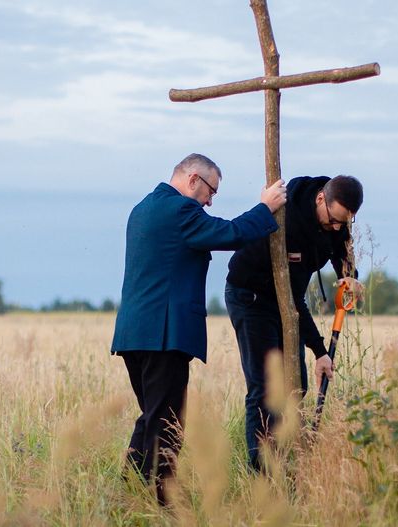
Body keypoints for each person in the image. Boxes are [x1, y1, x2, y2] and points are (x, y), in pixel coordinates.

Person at [111, 153, 287, 504]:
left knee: (152, 417)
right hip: (165, 334)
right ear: (193, 179)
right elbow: (231, 233)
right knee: (167, 423)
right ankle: (161, 501)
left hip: (134, 333)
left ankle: (129, 491)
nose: (210, 200)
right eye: (211, 191)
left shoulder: (143, 208)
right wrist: (264, 208)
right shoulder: (180, 211)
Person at [224, 174, 364, 472]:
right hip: (252, 296)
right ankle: (261, 472)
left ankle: (290, 462)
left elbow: (341, 250)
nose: (337, 227)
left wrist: (349, 274)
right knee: (265, 388)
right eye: (334, 220)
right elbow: (294, 302)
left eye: (344, 223)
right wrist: (319, 350)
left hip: (286, 301)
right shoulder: (288, 222)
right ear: (320, 199)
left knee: (295, 383)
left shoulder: (337, 220)